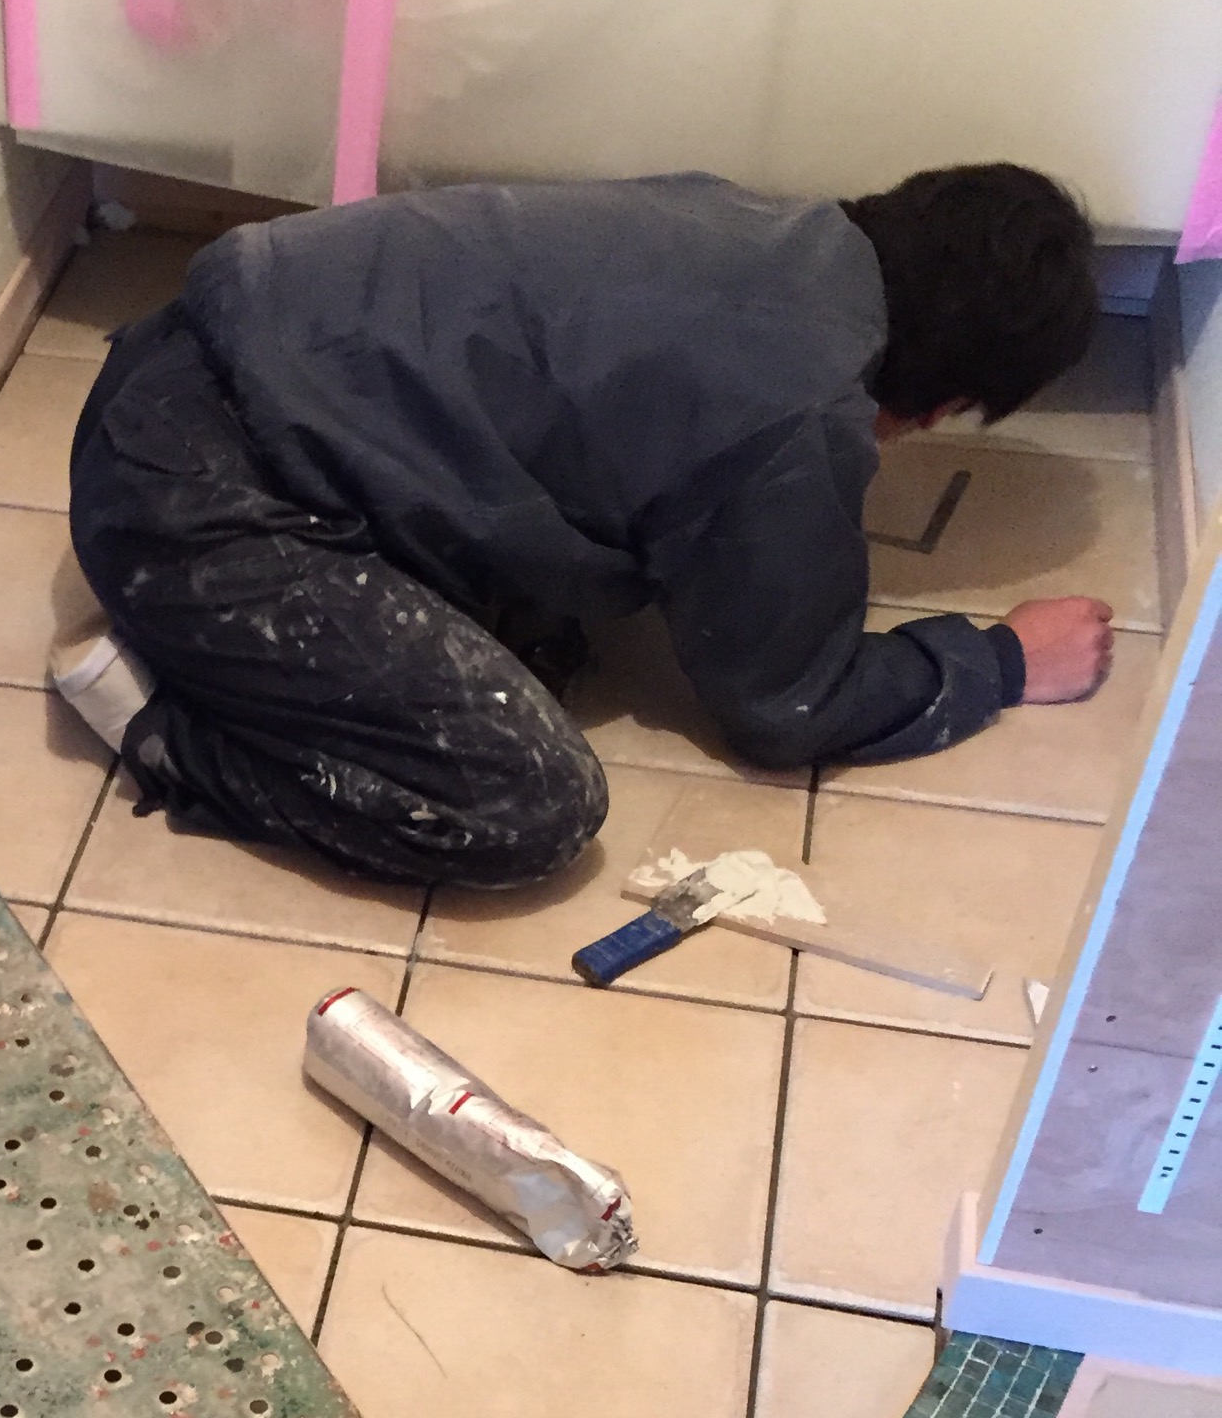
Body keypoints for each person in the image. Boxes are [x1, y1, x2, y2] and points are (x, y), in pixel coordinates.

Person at [55, 165, 1112, 889]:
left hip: (186, 367)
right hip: (191, 509)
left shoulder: (753, 221)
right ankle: (170, 733)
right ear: (944, 404)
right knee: (528, 802)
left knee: (550, 635)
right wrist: (1002, 662)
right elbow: (788, 705)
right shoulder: (797, 413)